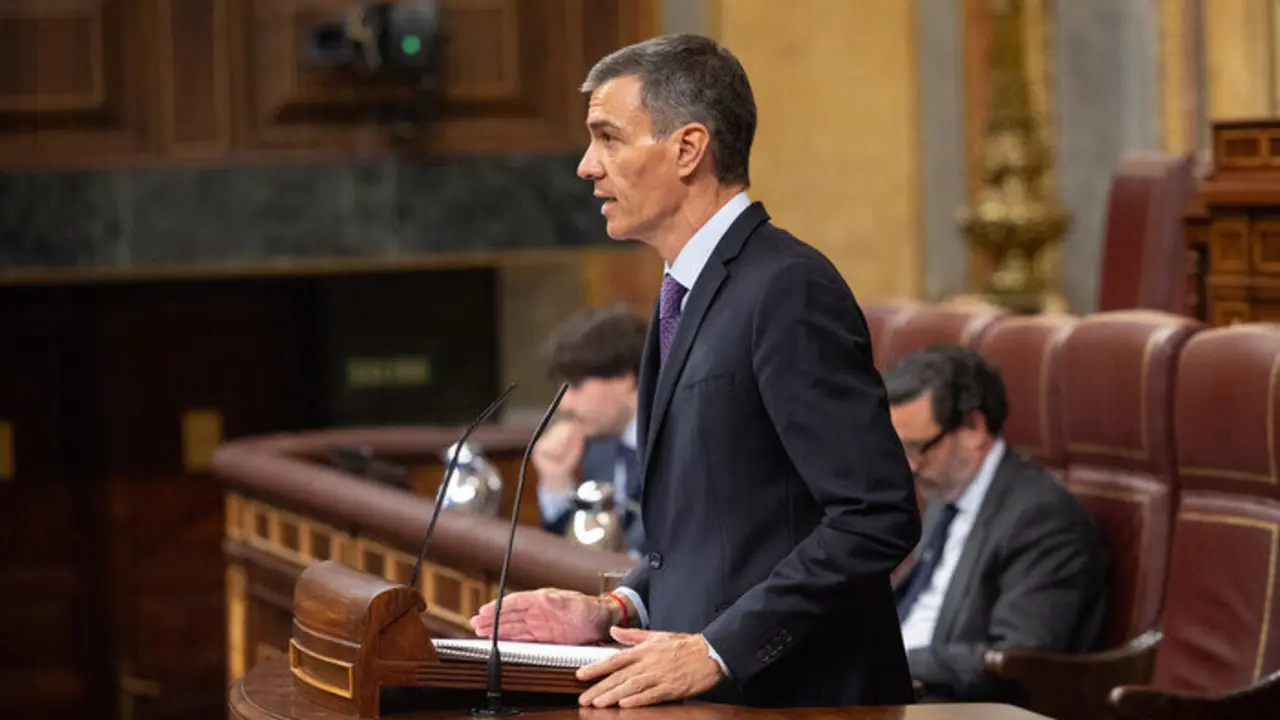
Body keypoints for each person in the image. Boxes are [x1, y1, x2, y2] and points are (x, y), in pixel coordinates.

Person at [469, 33, 921, 709]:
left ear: (687, 148)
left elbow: (874, 516)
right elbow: (724, 532)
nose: (587, 166)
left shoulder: (786, 288)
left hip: (801, 700)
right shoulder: (683, 291)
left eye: (609, 137)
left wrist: (717, 650)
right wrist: (618, 608)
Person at [883, 345, 1108, 702]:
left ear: (974, 427)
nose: (908, 467)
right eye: (899, 449)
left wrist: (904, 664)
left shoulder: (1042, 520)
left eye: (918, 448)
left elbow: (1019, 658)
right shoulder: (946, 493)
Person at [533, 305, 648, 555]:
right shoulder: (597, 447)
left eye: (576, 386)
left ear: (624, 378)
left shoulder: (676, 445)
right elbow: (577, 555)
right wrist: (556, 481)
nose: (565, 404)